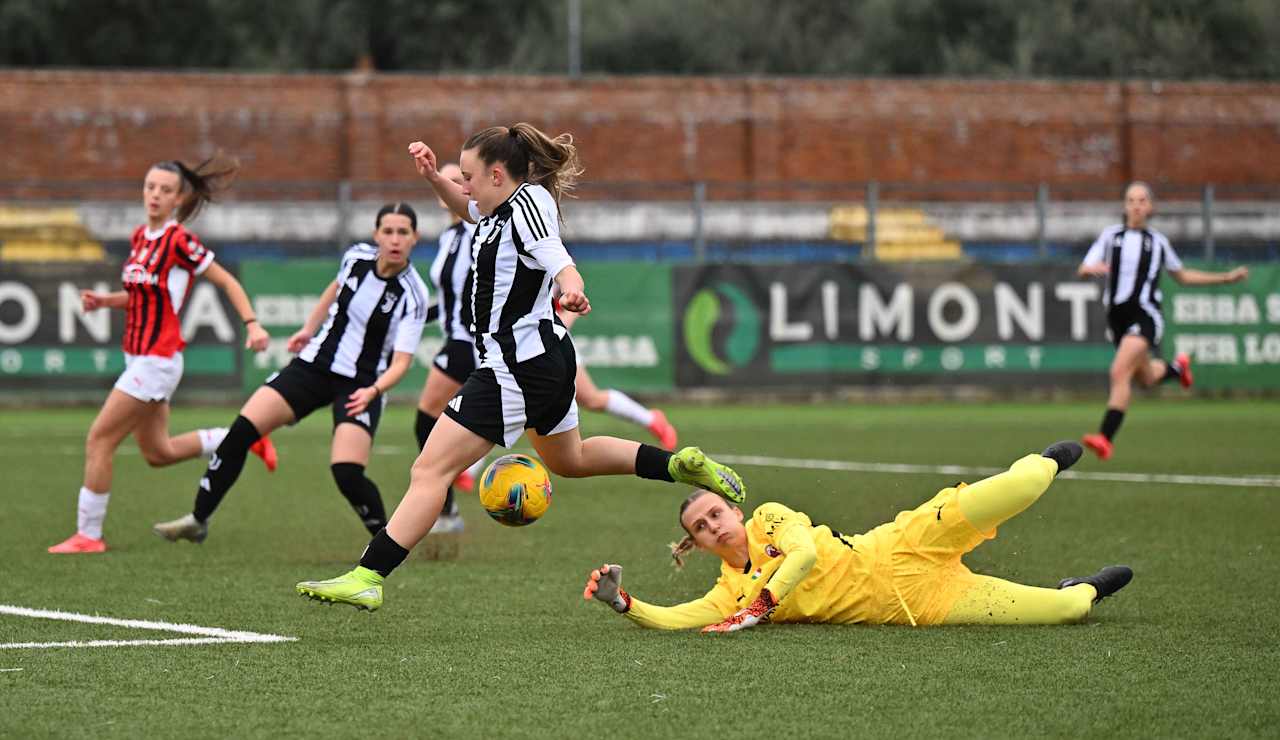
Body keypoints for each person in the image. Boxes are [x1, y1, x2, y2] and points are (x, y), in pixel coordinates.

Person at [296, 123, 745, 611]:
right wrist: (432, 178)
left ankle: (370, 574)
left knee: (430, 468)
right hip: (542, 360)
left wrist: (570, 286)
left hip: (514, 366)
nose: (463, 184)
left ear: (495, 174)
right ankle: (677, 465)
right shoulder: (496, 208)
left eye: (467, 175)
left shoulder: (525, 208)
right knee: (568, 461)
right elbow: (463, 206)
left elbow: (556, 256)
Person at [583, 441, 1133, 632]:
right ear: (697, 545)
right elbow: (678, 618)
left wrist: (765, 605)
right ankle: (1080, 587)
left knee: (1030, 480)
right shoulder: (730, 595)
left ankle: (1043, 462)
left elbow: (804, 552)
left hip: (906, 543)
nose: (712, 526)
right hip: (919, 604)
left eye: (713, 513)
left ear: (732, 507)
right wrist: (622, 602)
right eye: (699, 529)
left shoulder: (769, 517)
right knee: (1067, 612)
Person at [152, 203, 431, 543]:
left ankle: (388, 544)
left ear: (415, 237)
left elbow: (401, 363)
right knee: (240, 432)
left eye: (403, 232)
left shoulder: (413, 294)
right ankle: (198, 519)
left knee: (347, 473)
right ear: (376, 235)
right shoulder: (356, 258)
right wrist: (308, 329)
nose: (395, 239)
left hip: (362, 384)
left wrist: (373, 391)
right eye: (388, 231)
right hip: (314, 365)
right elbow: (335, 289)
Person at [48, 157, 273, 554]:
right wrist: (106, 300)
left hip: (158, 357)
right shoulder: (141, 237)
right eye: (151, 186)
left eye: (165, 190)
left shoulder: (178, 241)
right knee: (158, 452)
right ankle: (241, 439)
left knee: (99, 439)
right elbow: (143, 294)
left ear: (178, 199)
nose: (155, 195)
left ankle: (89, 535)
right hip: (138, 358)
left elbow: (226, 281)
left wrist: (252, 324)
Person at [1078, 181, 1249, 460]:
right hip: (1117, 319)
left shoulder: (1157, 242)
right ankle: (1176, 369)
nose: (1136, 205)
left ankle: (1105, 437)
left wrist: (1226, 277)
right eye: (1131, 200)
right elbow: (1084, 268)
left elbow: (1181, 275)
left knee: (1119, 371)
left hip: (1146, 315)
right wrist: (1090, 270)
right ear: (1124, 206)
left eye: (1142, 200)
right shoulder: (1110, 237)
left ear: (1151, 207)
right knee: (1145, 378)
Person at [413, 162, 484, 535]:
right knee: (451, 419)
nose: (453, 186)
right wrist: (413, 317)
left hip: (470, 341)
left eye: (461, 180)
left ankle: (446, 505)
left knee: (427, 416)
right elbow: (451, 297)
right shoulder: (449, 236)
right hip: (454, 337)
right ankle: (454, 489)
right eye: (447, 179)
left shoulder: (478, 229)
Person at [556, 306, 678, 449]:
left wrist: (554, 330)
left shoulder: (554, 285)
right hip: (533, 345)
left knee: (592, 399)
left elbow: (572, 303)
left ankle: (652, 420)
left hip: (550, 344)